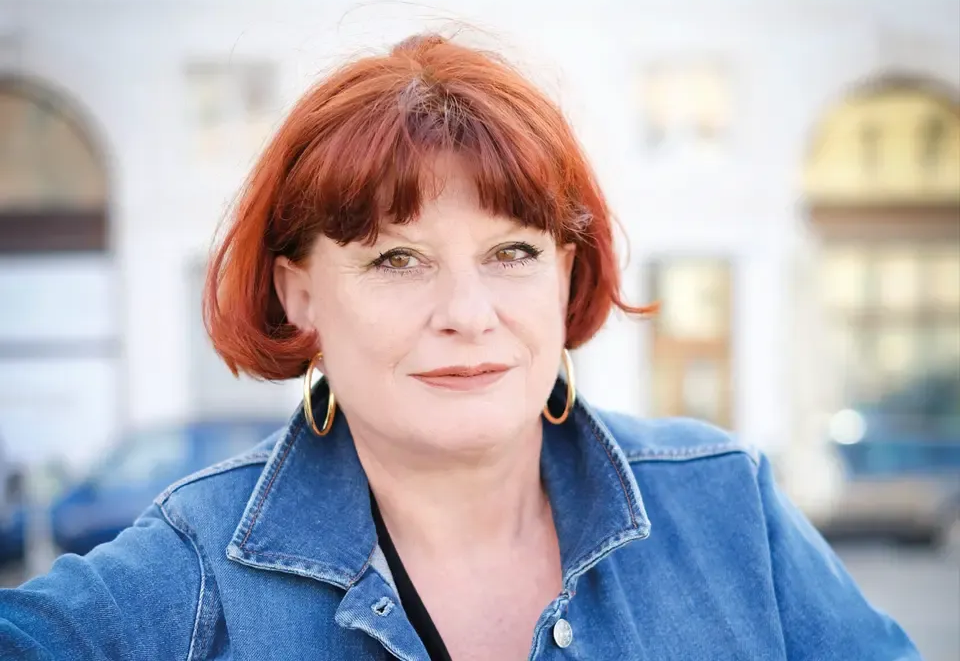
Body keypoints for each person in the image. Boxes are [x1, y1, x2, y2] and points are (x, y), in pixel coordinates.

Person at [0, 34, 919, 661]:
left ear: (565, 271)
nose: (469, 314)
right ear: (298, 291)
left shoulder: (726, 504)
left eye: (512, 252)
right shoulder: (199, 567)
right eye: (397, 259)